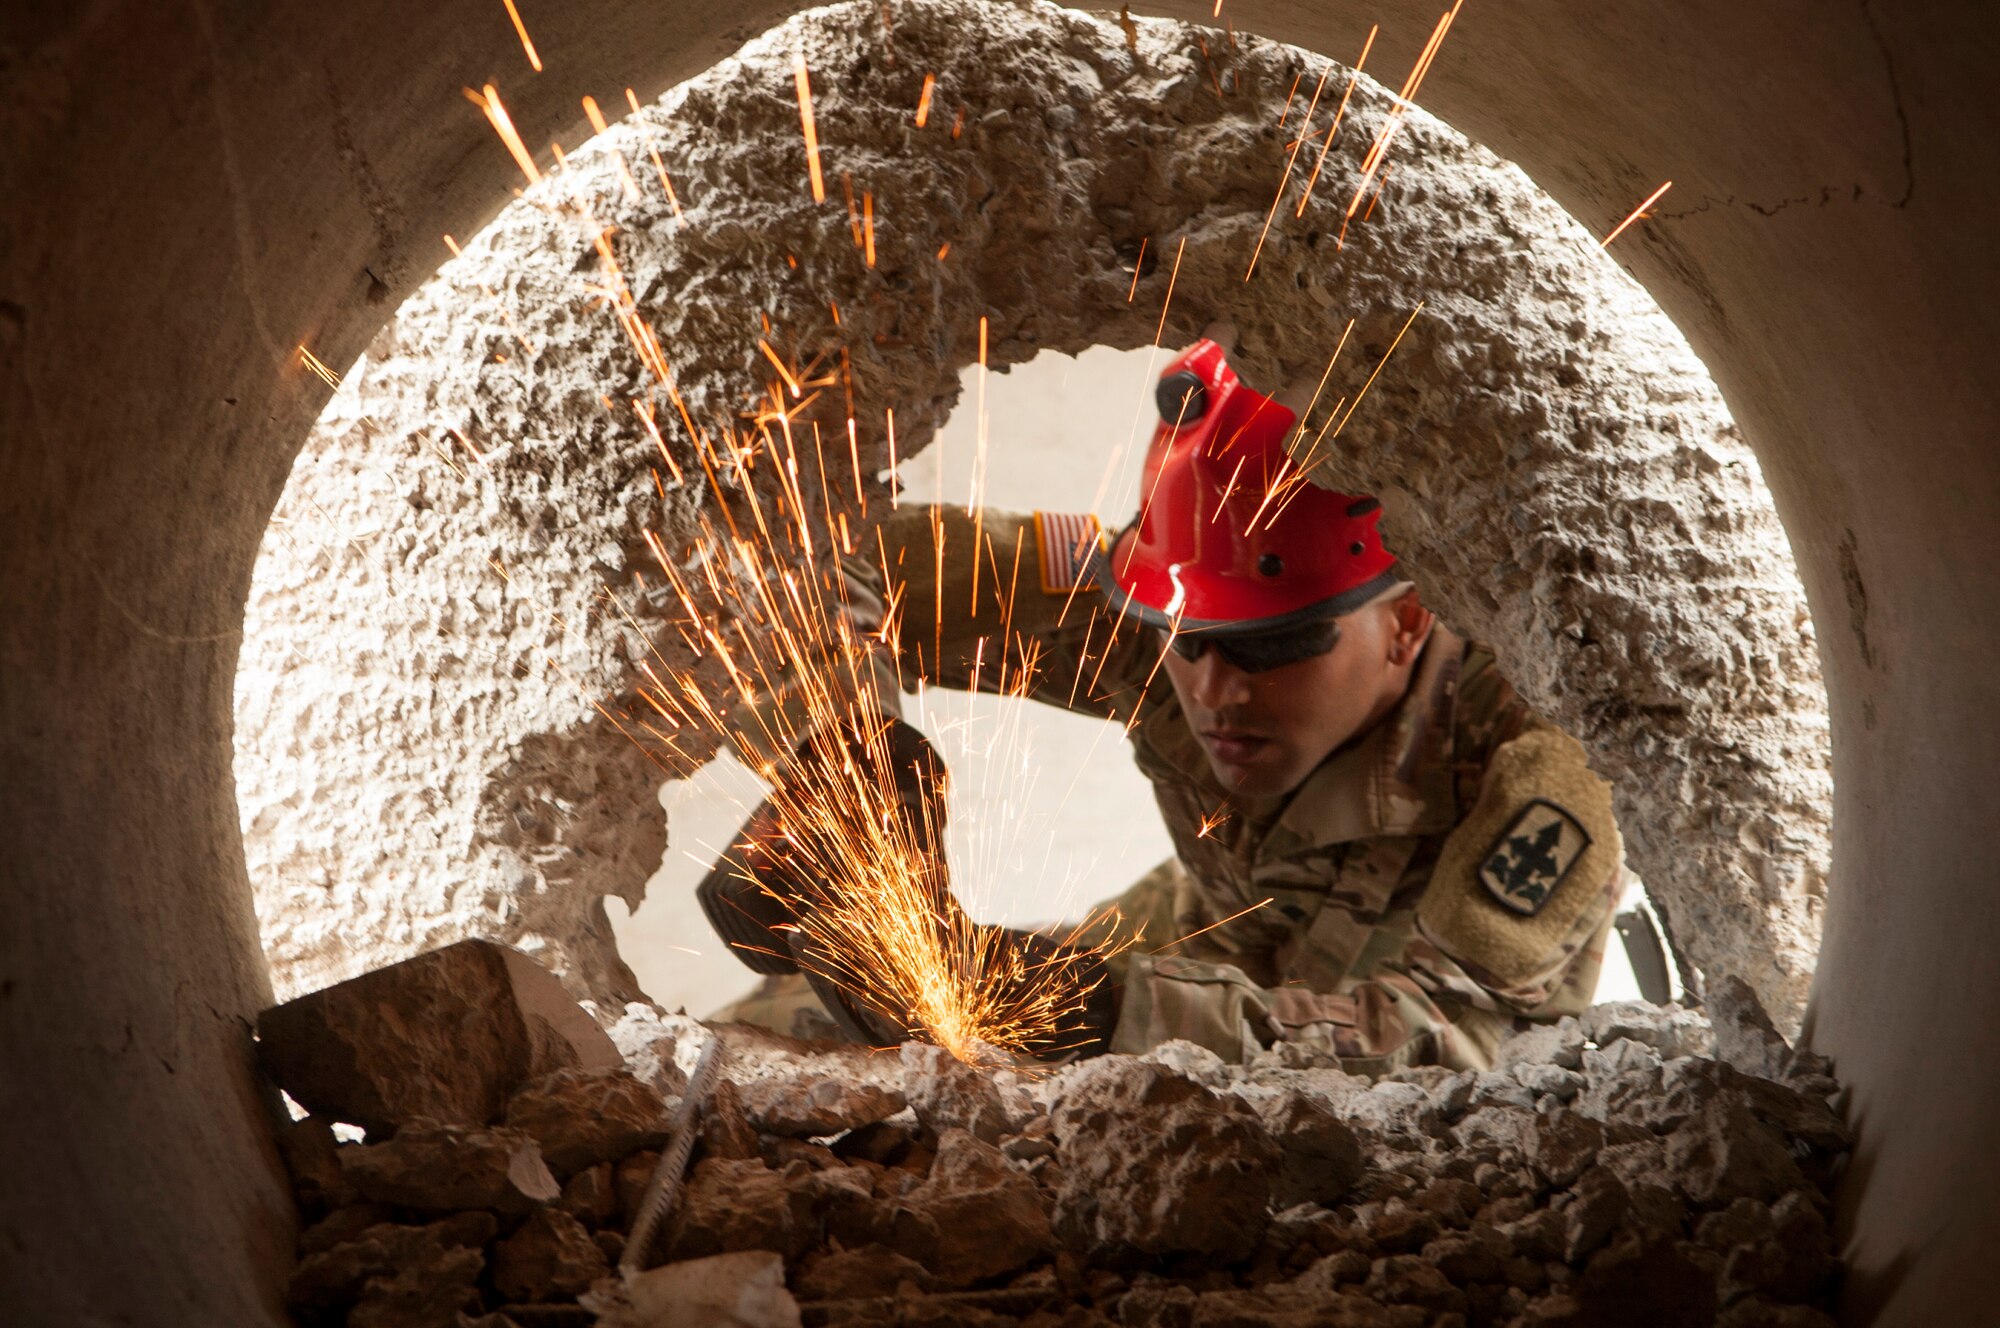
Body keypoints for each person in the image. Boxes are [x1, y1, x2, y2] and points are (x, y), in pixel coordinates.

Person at [702, 338, 1625, 1072]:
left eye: (1275, 647)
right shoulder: (1144, 606)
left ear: (1409, 620)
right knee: (775, 1032)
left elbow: (1450, 1041)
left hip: (1347, 1022)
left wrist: (1088, 1013)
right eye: (1185, 638)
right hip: (1201, 935)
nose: (1214, 690)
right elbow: (825, 565)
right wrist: (842, 759)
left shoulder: (1543, 756)